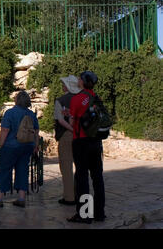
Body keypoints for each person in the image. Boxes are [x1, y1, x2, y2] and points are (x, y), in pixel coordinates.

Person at [0, 90, 40, 208]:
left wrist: (1, 144)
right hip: (27, 146)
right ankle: (21, 198)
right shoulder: (31, 114)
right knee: (22, 170)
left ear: (16, 100)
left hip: (11, 146)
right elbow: (36, 131)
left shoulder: (10, 113)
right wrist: (35, 146)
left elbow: (5, 130)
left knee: (4, 170)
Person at [67, 71, 106, 224]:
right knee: (97, 177)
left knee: (82, 178)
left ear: (82, 82)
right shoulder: (97, 98)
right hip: (96, 142)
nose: (77, 79)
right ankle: (99, 213)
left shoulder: (77, 99)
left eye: (79, 78)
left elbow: (71, 123)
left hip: (81, 141)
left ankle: (84, 214)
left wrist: (68, 115)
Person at [54, 75, 81, 206]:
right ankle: (81, 194)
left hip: (66, 135)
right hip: (82, 136)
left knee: (66, 166)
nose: (62, 85)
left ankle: (69, 197)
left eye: (64, 83)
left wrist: (71, 129)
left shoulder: (61, 100)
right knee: (81, 167)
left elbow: (60, 120)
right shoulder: (83, 99)